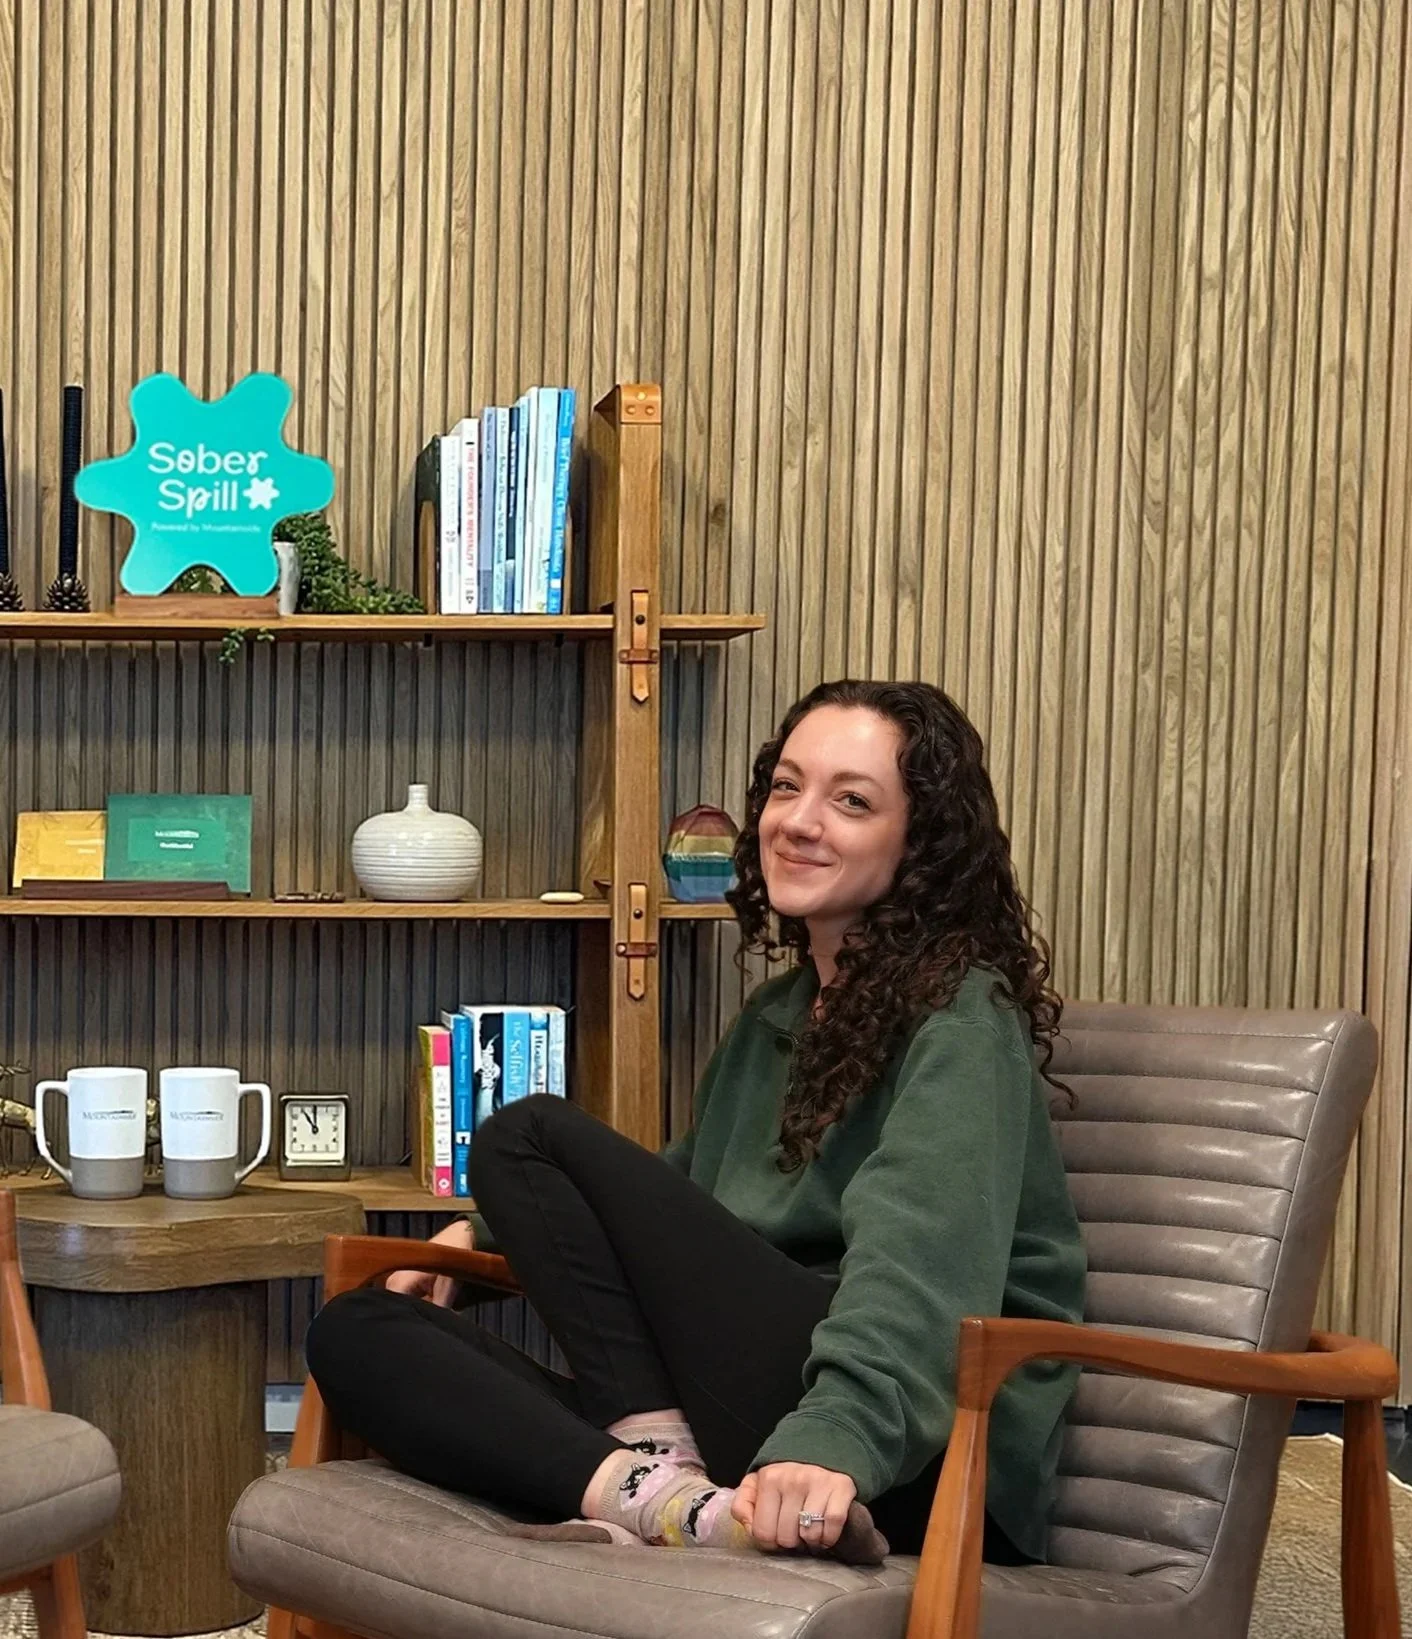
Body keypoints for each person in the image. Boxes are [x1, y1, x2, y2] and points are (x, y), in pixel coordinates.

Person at [305, 678, 1086, 1565]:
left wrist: (833, 1439)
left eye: (853, 800)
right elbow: (684, 1191)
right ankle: (687, 1505)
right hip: (748, 1438)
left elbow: (923, 1262)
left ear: (923, 844)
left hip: (900, 1455)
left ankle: (670, 1475)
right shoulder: (781, 1013)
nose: (798, 819)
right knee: (354, 1331)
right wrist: (472, 1242)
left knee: (522, 1135)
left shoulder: (963, 1015)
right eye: (786, 787)